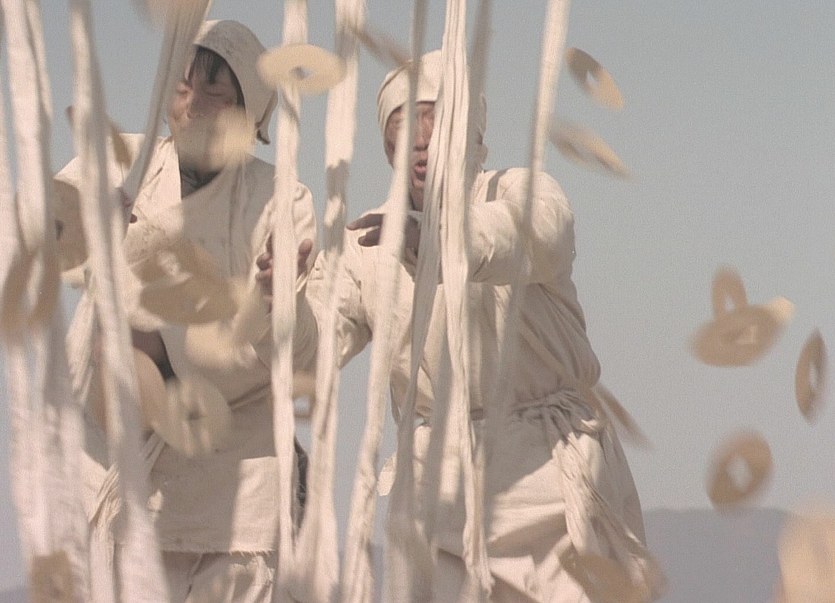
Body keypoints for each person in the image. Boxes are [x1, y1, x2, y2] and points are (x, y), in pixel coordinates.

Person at [259, 50, 660, 601]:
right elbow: (310, 354)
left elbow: (532, 236)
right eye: (406, 130)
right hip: (441, 495)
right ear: (388, 148)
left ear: (474, 135)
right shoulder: (365, 245)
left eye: (437, 123)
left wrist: (438, 243)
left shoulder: (521, 192)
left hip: (552, 477)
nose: (422, 141)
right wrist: (277, 301)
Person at [55, 20, 317, 601]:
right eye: (182, 87)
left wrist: (274, 304)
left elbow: (301, 351)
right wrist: (82, 224)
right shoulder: (120, 166)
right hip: (119, 490)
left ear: (249, 113)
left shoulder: (282, 201)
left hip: (231, 498)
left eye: (215, 91)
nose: (193, 104)